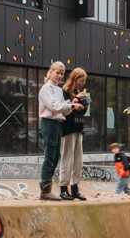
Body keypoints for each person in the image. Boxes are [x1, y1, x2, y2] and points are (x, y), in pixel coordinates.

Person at [36, 60, 73, 202]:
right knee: (50, 155)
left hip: (58, 123)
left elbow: (64, 110)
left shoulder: (58, 89)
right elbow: (55, 107)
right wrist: (70, 105)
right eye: (57, 72)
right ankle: (45, 188)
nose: (60, 76)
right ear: (50, 72)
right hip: (49, 122)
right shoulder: (46, 88)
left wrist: (72, 105)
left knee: (56, 156)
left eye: (62, 74)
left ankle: (47, 188)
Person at [59, 68, 91, 200]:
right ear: (74, 78)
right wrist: (77, 99)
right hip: (67, 128)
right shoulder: (64, 91)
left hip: (79, 127)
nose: (81, 83)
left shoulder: (78, 92)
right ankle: (63, 188)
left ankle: (74, 187)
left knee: (78, 160)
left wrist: (85, 103)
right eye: (80, 80)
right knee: (67, 158)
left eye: (83, 81)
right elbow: (65, 107)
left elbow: (81, 111)